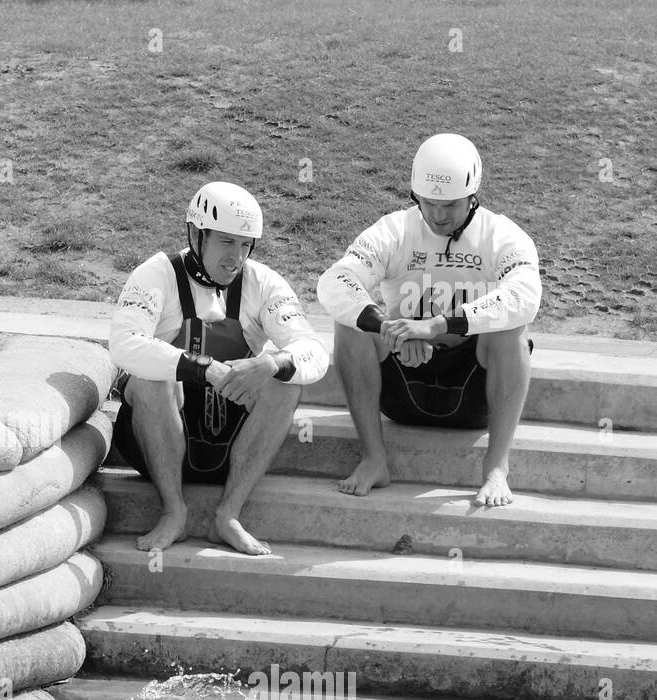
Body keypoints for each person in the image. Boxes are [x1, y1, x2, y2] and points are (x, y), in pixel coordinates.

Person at [317, 133, 541, 507]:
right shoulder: (393, 230)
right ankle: (374, 459)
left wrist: (435, 326)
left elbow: (525, 296)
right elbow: (334, 282)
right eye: (428, 203)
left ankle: (496, 469)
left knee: (512, 329)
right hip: (402, 383)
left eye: (450, 205)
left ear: (473, 196)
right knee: (349, 324)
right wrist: (389, 328)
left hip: (472, 393)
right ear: (414, 196)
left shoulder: (502, 235)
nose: (438, 215)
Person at [108, 182, 329, 555]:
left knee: (286, 382)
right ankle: (174, 511)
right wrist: (203, 368)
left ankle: (228, 515)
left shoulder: (264, 283)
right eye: (226, 242)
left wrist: (274, 362)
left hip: (229, 446)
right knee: (150, 378)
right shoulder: (156, 274)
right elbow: (125, 343)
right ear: (196, 234)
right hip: (152, 443)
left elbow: (314, 352)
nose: (236, 257)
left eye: (246, 245)